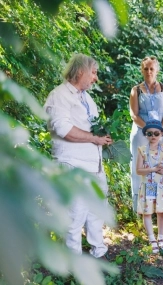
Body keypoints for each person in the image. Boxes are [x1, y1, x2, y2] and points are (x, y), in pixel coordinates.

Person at [44, 53, 112, 259]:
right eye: (93, 72)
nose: (95, 78)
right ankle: (72, 260)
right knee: (75, 212)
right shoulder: (59, 95)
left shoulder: (87, 98)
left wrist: (103, 138)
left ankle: (98, 251)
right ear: (80, 71)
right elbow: (63, 128)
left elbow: (91, 129)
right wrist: (94, 138)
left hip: (93, 164)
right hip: (72, 162)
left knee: (96, 209)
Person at [130, 56, 163, 211]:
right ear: (142, 70)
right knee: (143, 166)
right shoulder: (136, 90)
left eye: (151, 68)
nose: (149, 71)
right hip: (142, 132)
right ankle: (143, 206)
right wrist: (148, 130)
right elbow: (134, 115)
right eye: (146, 68)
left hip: (161, 130)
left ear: (157, 70)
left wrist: (159, 130)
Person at [136, 119, 163, 254]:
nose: (153, 136)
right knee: (147, 212)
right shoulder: (142, 150)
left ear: (161, 135)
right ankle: (152, 238)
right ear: (146, 135)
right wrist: (152, 169)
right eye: (150, 133)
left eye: (156, 133)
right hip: (148, 185)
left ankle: (161, 237)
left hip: (161, 185)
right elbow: (138, 170)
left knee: (161, 211)